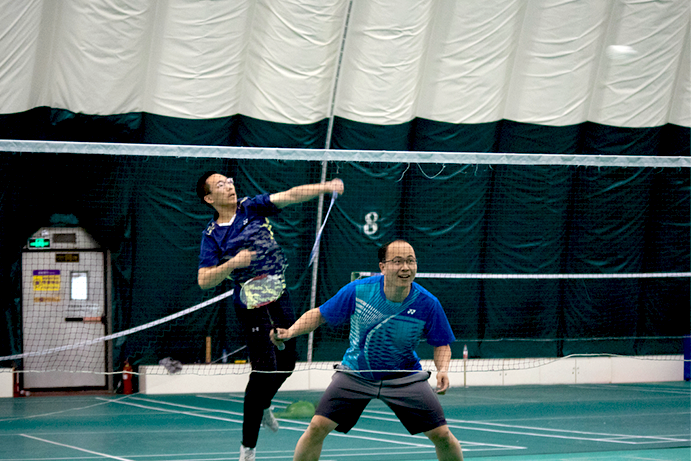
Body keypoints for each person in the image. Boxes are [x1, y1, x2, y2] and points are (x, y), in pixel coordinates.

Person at [196, 171, 344, 461]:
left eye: (230, 181)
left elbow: (290, 195)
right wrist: (233, 264)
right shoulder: (212, 236)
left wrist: (325, 186)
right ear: (209, 198)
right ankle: (248, 449)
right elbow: (204, 280)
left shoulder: (251, 206)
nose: (229, 186)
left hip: (277, 292)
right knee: (263, 370)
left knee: (287, 363)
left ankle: (263, 404)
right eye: (221, 185)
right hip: (250, 303)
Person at [273, 239, 464, 461]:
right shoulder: (359, 291)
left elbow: (441, 343)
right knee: (317, 427)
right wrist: (290, 332)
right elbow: (320, 314)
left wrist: (443, 370)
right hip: (357, 373)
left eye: (410, 261)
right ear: (382, 266)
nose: (405, 267)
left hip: (404, 376)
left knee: (442, 435)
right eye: (398, 261)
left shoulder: (427, 302)